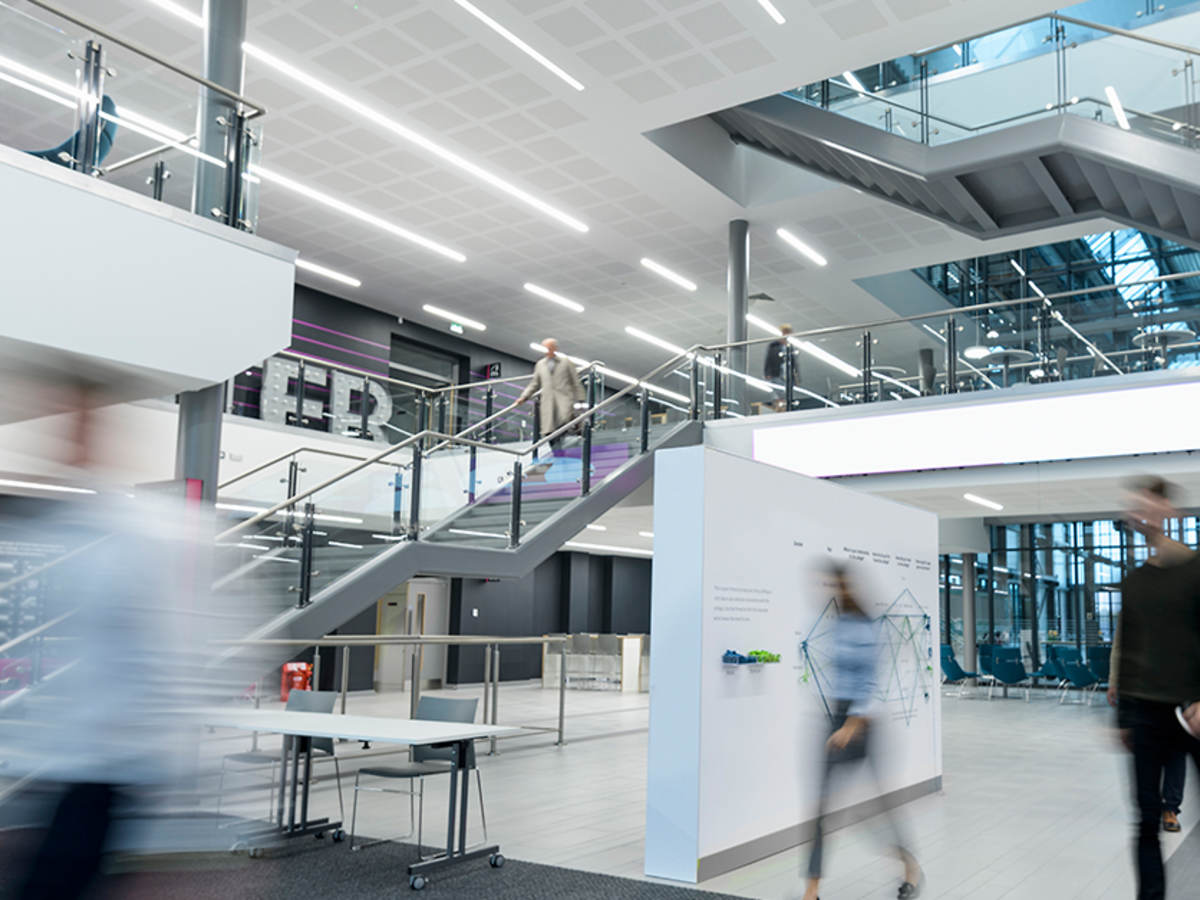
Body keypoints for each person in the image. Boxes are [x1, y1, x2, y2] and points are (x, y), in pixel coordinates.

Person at [803, 563, 922, 900]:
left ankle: (910, 866)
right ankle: (811, 891)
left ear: (843, 587)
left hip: (860, 724)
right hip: (835, 718)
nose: (820, 590)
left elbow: (869, 678)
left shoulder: (862, 626)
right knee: (821, 809)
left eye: (827, 584)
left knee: (875, 810)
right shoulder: (838, 625)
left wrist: (852, 723)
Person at [1108, 477, 1200, 900]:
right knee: (1145, 820)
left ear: (1170, 512)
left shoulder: (1195, 571)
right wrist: (1122, 717)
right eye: (1134, 505)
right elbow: (1128, 651)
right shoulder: (1135, 582)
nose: (1139, 511)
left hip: (1194, 710)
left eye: (1148, 502)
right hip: (1146, 712)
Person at [519, 338, 586, 451]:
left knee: (562, 424)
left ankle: (563, 451)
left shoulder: (566, 362)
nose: (547, 350)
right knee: (549, 431)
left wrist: (581, 400)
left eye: (550, 347)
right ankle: (558, 454)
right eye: (545, 347)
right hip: (548, 402)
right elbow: (534, 384)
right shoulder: (540, 364)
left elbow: (575, 382)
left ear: (555, 348)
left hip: (564, 400)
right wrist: (524, 397)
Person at [763, 324, 798, 412]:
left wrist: (796, 376)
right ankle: (779, 408)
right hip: (776, 373)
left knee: (786, 393)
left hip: (787, 374)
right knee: (777, 393)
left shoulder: (790, 347)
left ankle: (785, 408)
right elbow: (769, 359)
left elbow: (794, 363)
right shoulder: (773, 345)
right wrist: (767, 372)